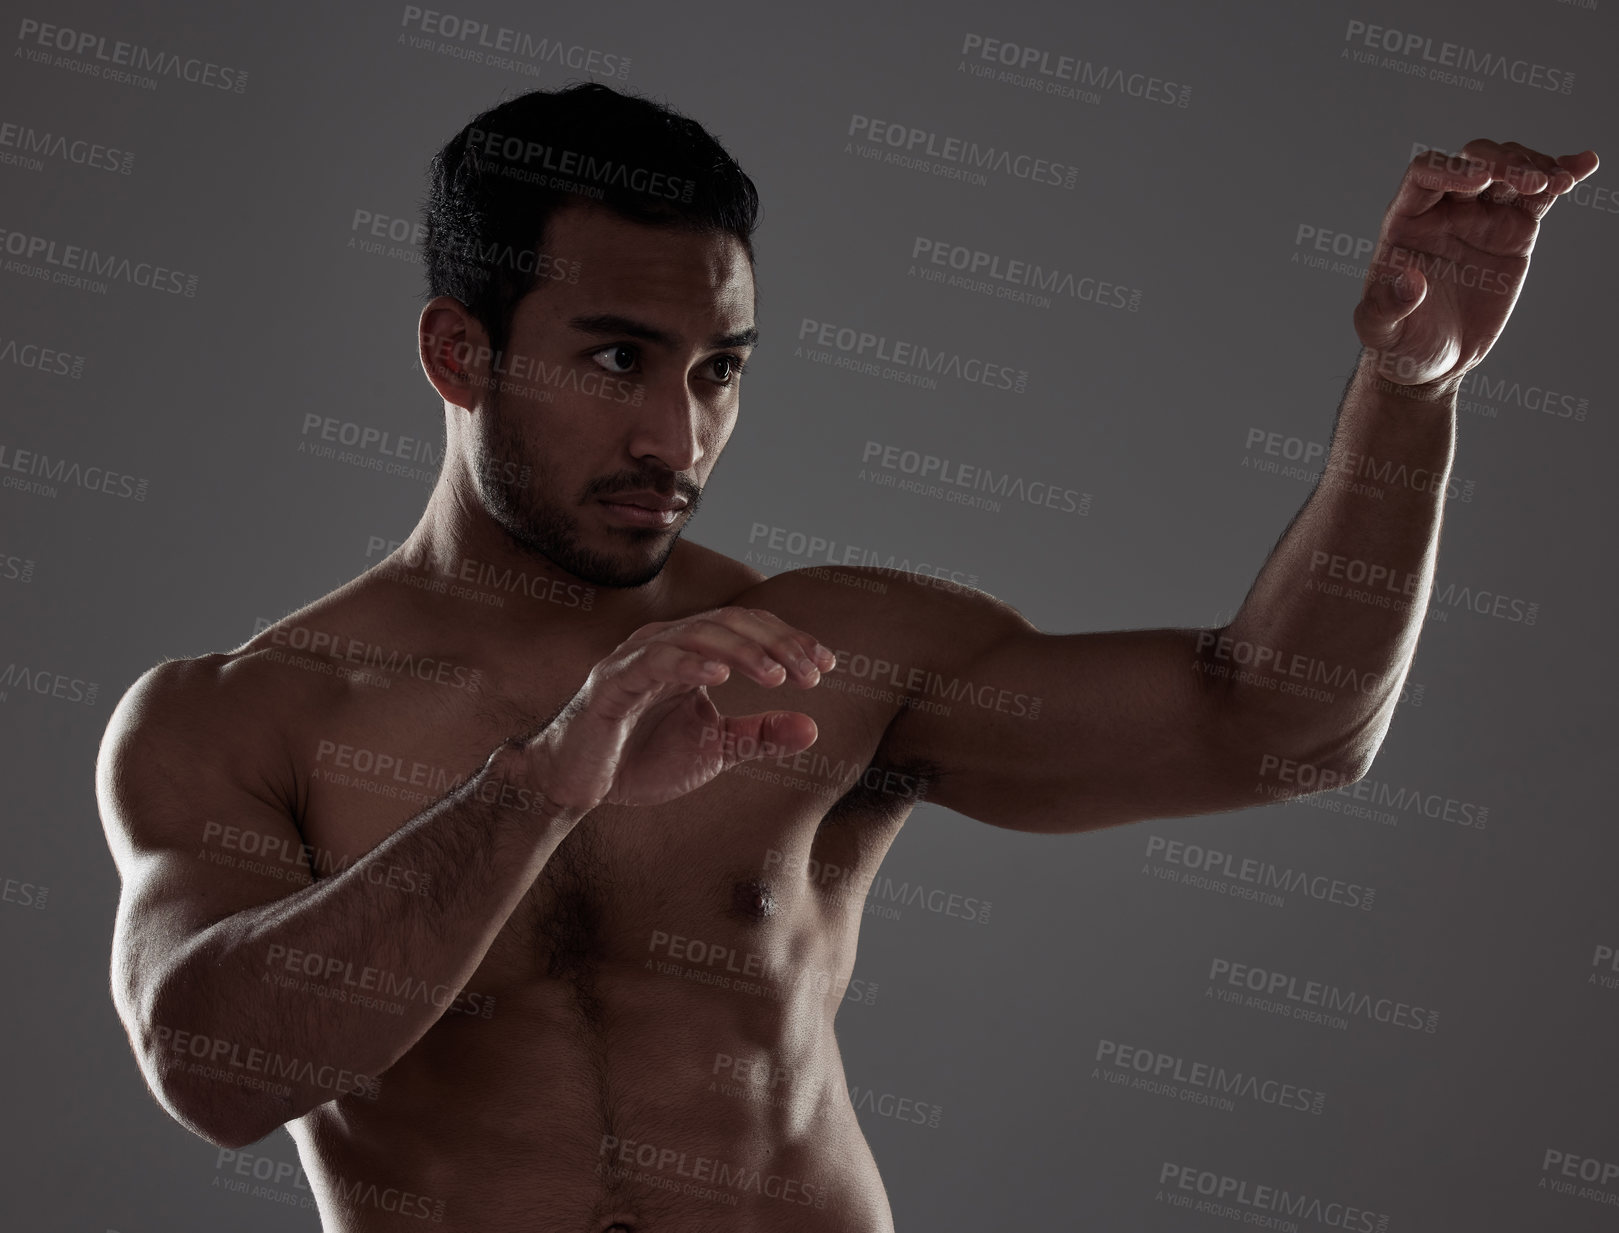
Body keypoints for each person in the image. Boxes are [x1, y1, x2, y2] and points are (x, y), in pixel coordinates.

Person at [95, 82, 1597, 1231]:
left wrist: (1413, 389)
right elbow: (216, 1071)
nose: (676, 438)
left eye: (718, 372)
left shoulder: (825, 651)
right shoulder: (243, 715)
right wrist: (552, 779)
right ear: (458, 353)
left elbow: (1279, 729)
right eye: (618, 358)